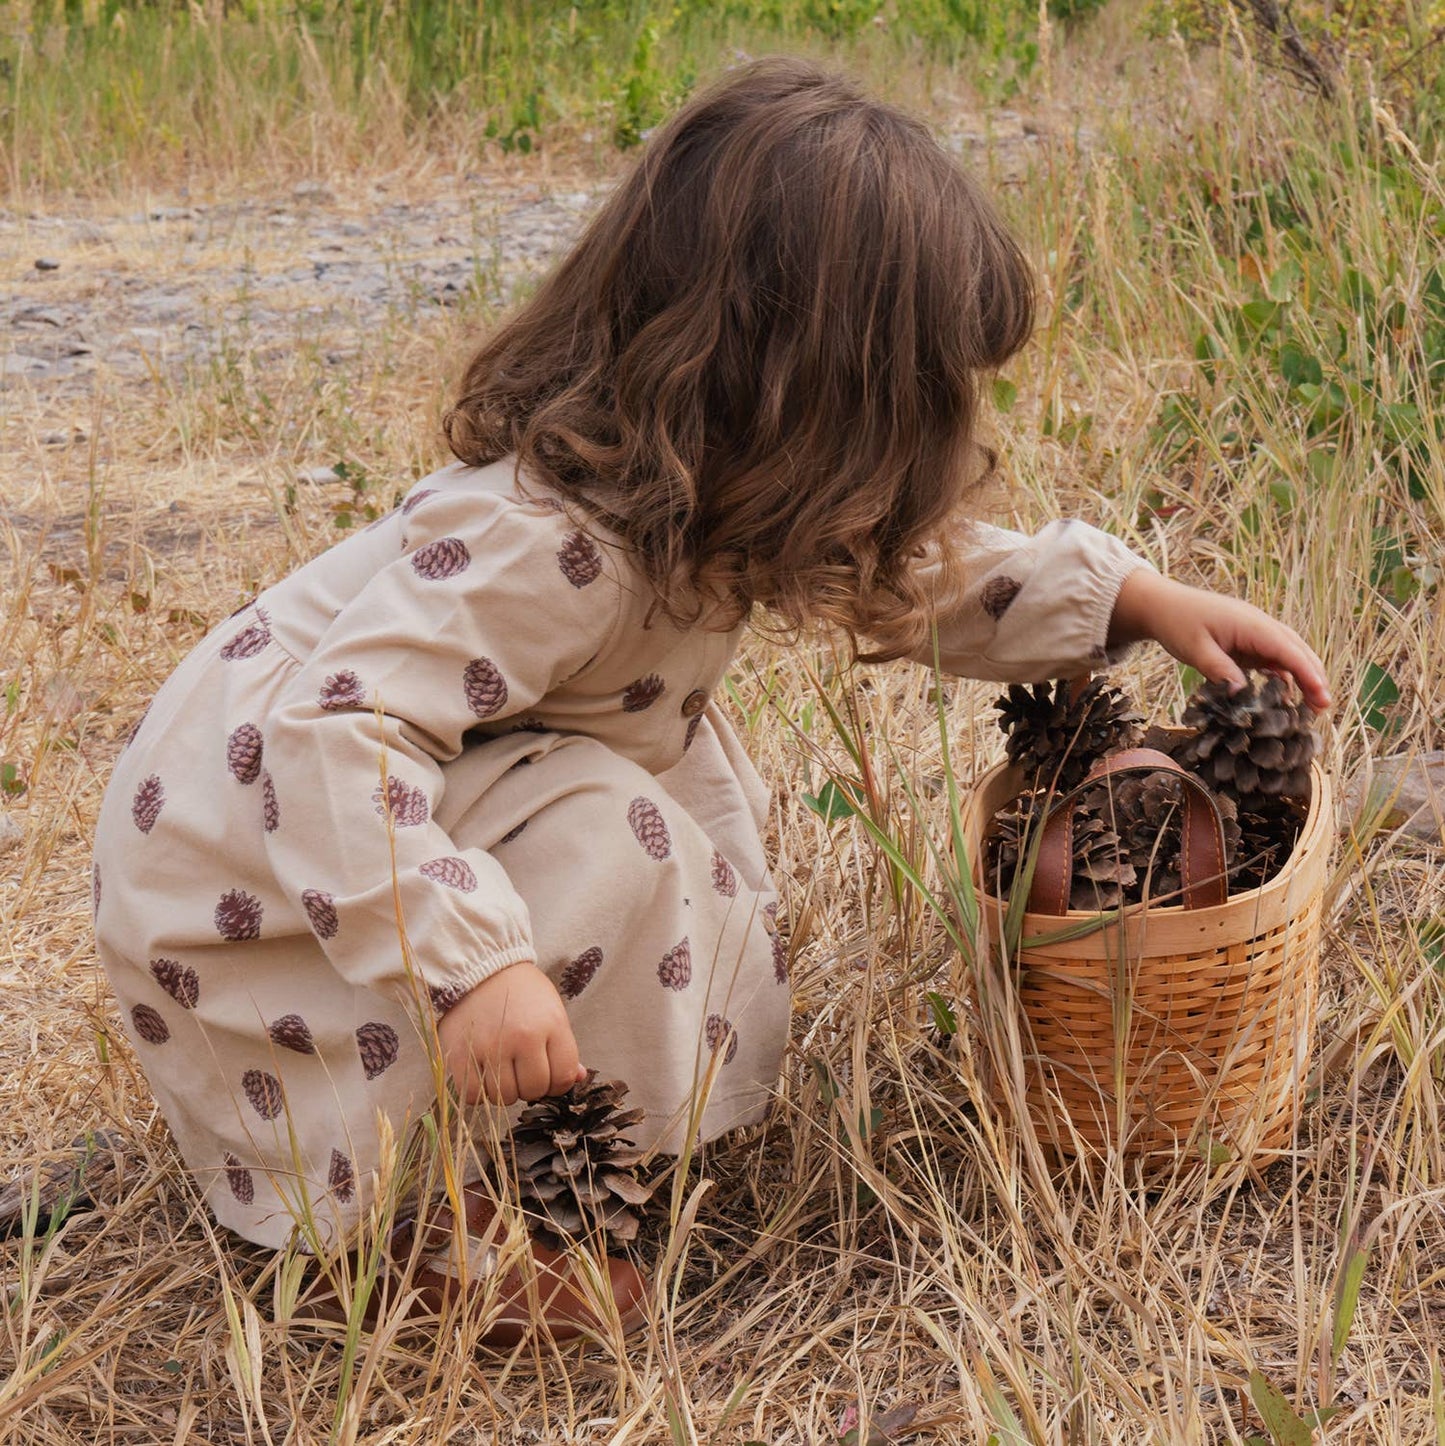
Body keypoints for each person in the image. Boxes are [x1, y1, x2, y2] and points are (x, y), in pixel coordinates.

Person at [90, 58, 1330, 1344]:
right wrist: (468, 966)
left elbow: (914, 572)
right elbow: (332, 733)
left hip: (383, 804)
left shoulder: (704, 489)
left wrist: (1130, 598)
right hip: (256, 878)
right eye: (917, 407)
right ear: (801, 397)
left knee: (648, 823)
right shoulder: (551, 543)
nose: (942, 444)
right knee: (606, 840)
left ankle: (562, 1149)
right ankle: (421, 1238)